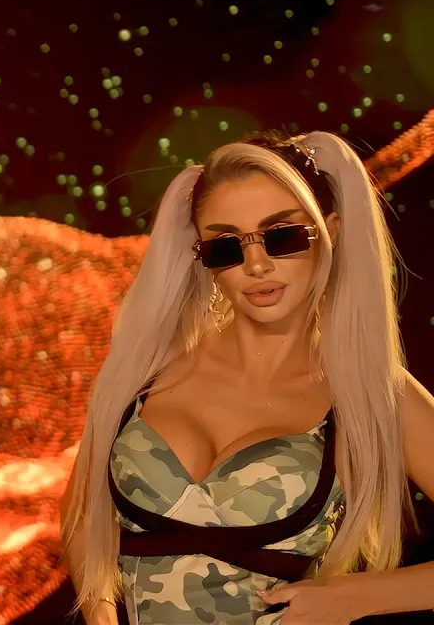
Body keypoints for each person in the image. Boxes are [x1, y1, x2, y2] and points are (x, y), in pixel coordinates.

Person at [60, 131, 434, 625]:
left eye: (282, 237)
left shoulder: (375, 392)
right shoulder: (146, 369)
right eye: (226, 247)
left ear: (332, 232)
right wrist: (100, 613)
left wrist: (356, 596)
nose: (256, 265)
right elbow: (81, 512)